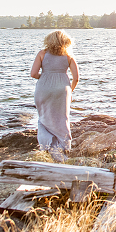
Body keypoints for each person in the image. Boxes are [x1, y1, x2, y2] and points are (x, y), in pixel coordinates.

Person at [30, 30, 79, 162]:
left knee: (43, 117)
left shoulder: (42, 54)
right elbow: (76, 78)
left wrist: (45, 77)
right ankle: (63, 149)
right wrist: (70, 91)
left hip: (43, 88)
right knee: (62, 118)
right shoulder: (68, 57)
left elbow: (33, 74)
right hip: (62, 90)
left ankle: (47, 147)